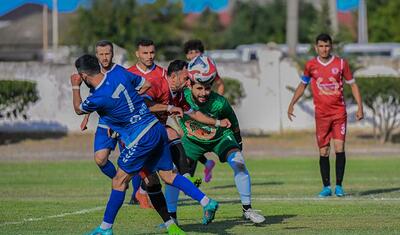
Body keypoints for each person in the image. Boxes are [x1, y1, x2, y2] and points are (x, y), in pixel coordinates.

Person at [71, 54, 219, 235]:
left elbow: (78, 109)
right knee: (165, 176)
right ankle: (205, 202)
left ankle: (105, 228)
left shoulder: (98, 97)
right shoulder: (118, 72)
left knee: (119, 181)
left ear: (84, 76)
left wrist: (75, 86)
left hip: (139, 137)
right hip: (155, 128)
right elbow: (145, 85)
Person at [166, 55, 266, 224]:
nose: (204, 93)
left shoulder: (220, 103)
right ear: (190, 84)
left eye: (207, 88)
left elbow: (233, 122)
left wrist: (238, 143)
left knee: (239, 162)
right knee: (173, 173)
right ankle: (172, 218)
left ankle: (247, 210)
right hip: (192, 140)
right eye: (199, 88)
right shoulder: (182, 96)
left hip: (219, 138)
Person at [287, 33, 364, 197]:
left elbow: (353, 85)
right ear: (316, 47)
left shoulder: (341, 63)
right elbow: (302, 85)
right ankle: (326, 187)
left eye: (327, 46)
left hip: (338, 113)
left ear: (331, 46)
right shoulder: (310, 65)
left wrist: (360, 107)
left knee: (339, 148)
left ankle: (339, 186)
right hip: (321, 115)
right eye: (321, 46)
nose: (324, 49)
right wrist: (292, 103)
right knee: (324, 151)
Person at [183, 39, 226, 182]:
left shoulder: (207, 71)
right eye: (190, 52)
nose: (193, 55)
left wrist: (215, 102)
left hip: (198, 111)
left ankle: (192, 180)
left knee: (192, 141)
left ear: (202, 53)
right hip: (186, 110)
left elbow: (220, 84)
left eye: (196, 52)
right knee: (188, 141)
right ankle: (205, 165)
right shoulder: (186, 69)